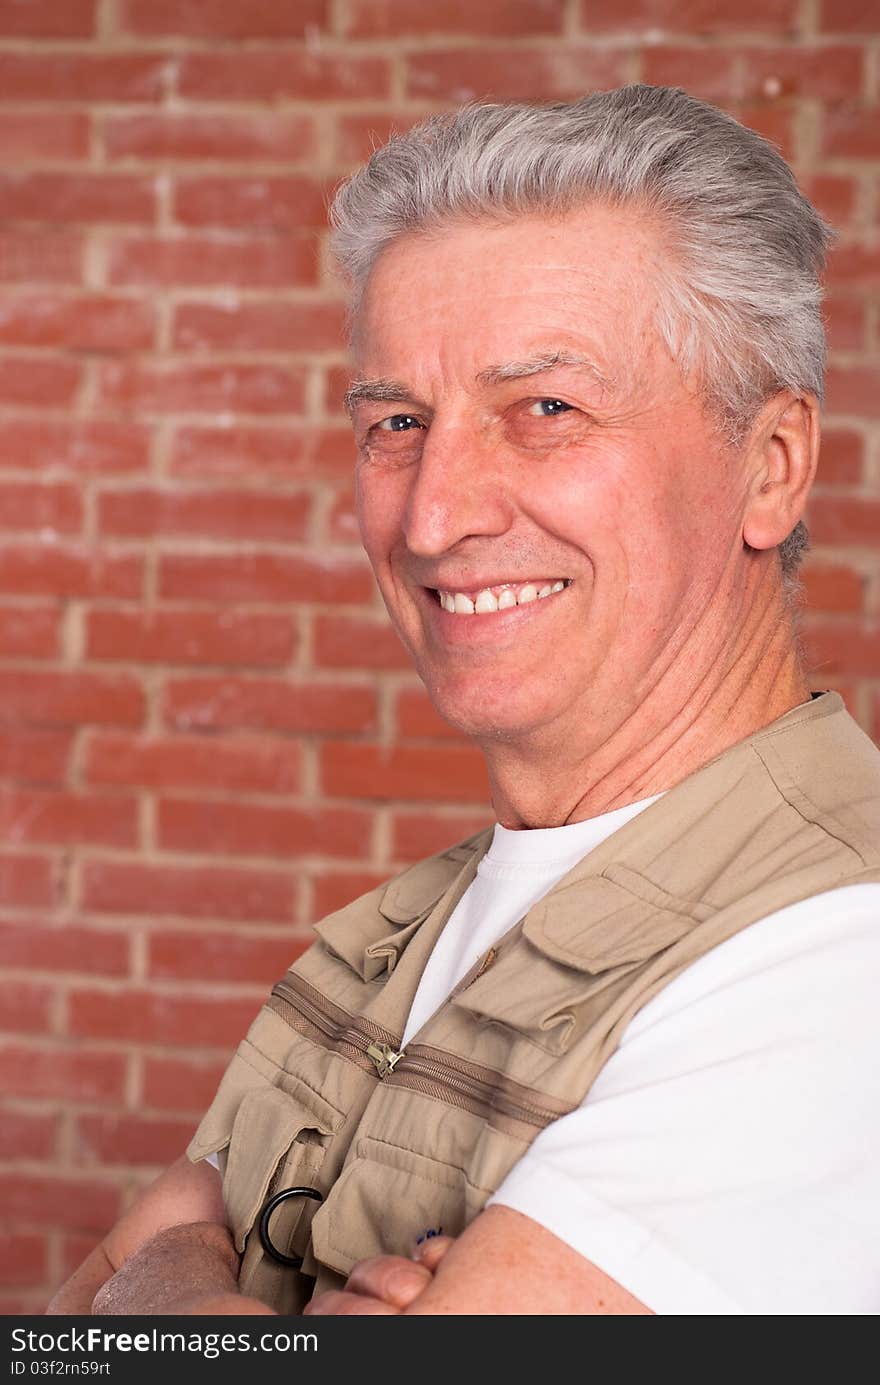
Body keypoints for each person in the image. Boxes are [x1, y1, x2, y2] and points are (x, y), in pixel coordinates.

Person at [47, 84, 880, 1318]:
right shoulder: (403, 931)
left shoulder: (828, 962)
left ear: (772, 466)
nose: (433, 516)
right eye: (396, 420)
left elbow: (106, 1296)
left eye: (543, 410)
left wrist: (168, 1266)